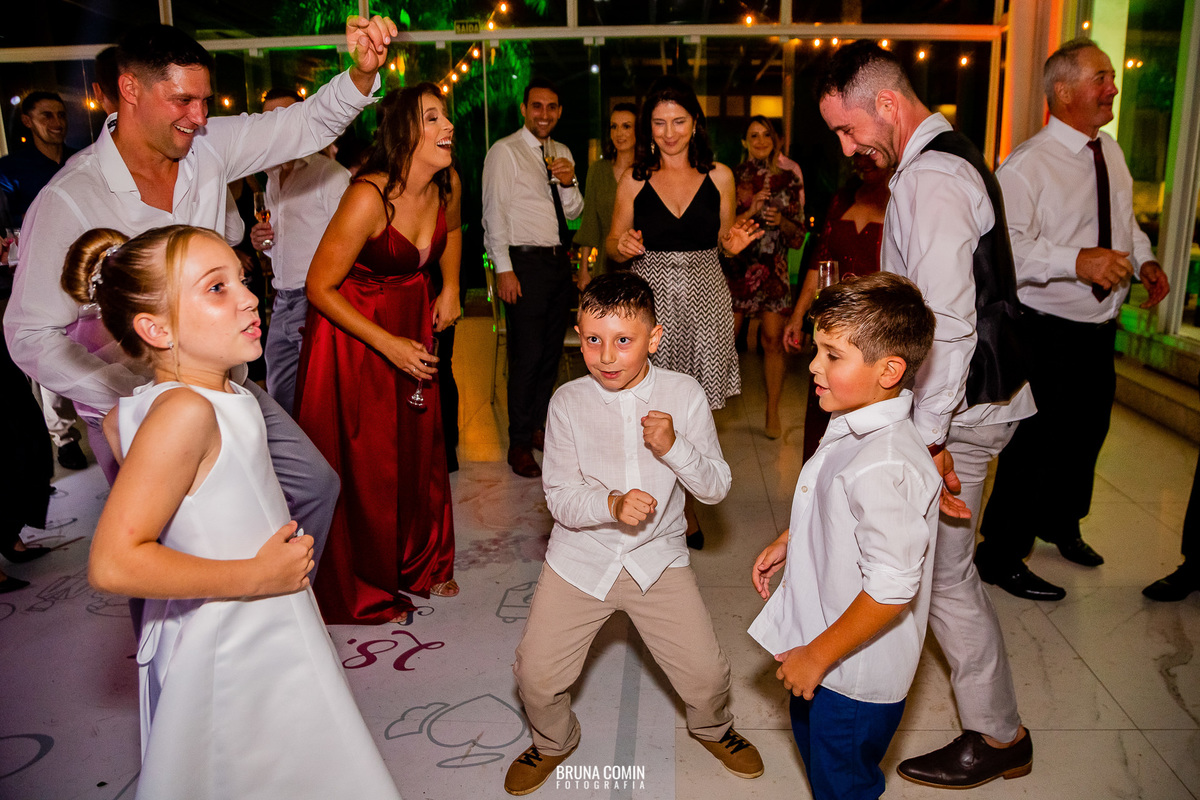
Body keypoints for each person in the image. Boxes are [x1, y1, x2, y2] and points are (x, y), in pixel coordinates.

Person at [4, 17, 397, 571]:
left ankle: (278, 598)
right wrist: (121, 392)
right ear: (130, 89)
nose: (200, 117)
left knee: (313, 486)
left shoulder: (210, 147)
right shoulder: (70, 199)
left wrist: (359, 74)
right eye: (183, 101)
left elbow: (304, 124)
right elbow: (28, 332)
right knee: (165, 549)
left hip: (224, 384)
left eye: (205, 100)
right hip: (136, 409)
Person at [67, 224, 402, 800]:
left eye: (242, 279)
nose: (249, 298)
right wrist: (256, 576)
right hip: (237, 632)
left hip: (250, 614)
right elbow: (113, 562)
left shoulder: (170, 403)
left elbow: (139, 448)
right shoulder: (186, 413)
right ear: (156, 329)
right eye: (216, 288)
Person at [817, 41, 1038, 788]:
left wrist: (926, 438)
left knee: (940, 576)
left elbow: (949, 321)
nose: (848, 148)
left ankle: (999, 734)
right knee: (938, 569)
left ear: (886, 102)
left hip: (962, 411)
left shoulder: (931, 177)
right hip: (969, 404)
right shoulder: (938, 160)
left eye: (848, 130)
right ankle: (996, 727)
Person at [505, 272, 762, 796]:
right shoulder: (567, 402)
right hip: (581, 557)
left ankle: (713, 728)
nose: (606, 356)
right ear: (578, 333)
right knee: (535, 676)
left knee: (708, 676)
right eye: (592, 339)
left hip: (656, 559)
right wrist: (611, 504)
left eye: (623, 340)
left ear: (654, 338)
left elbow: (715, 487)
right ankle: (553, 740)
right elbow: (559, 496)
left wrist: (674, 447)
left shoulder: (683, 393)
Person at [973, 40, 1171, 600]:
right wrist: (1075, 261)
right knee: (1032, 445)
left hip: (1099, 329)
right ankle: (1000, 554)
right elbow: (1007, 250)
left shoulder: (1110, 151)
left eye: (1111, 78)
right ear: (1063, 92)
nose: (1114, 88)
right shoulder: (1028, 164)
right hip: (1045, 332)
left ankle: (1060, 523)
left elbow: (1125, 224)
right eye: (1101, 78)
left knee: (1087, 435)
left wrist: (1146, 259)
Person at [749, 272, 939, 800]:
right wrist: (793, 537)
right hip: (821, 648)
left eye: (832, 355)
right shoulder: (856, 422)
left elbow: (892, 588)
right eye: (818, 350)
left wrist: (817, 656)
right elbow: (839, 502)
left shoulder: (883, 462)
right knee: (821, 767)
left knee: (842, 783)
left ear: (889, 370)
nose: (813, 365)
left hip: (850, 677)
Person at [295, 82, 461, 625]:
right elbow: (319, 286)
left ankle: (419, 561)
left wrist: (450, 287)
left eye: (445, 116)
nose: (447, 126)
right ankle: (365, 581)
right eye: (432, 118)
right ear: (404, 133)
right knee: (370, 461)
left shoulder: (447, 183)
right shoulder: (368, 196)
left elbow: (454, 231)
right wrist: (387, 343)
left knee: (417, 445)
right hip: (355, 334)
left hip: (411, 316)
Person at [607, 74, 760, 549]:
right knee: (652, 404)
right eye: (659, 123)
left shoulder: (720, 176)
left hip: (706, 300)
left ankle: (685, 502)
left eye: (678, 121)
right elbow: (612, 242)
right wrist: (621, 245)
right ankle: (678, 511)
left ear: (695, 123)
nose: (669, 132)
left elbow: (725, 240)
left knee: (694, 412)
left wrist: (733, 245)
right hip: (651, 302)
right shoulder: (634, 180)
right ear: (648, 128)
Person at [482, 77, 583, 479]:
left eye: (551, 107)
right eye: (537, 106)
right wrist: (504, 269)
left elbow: (573, 213)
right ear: (524, 109)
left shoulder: (563, 153)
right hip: (523, 264)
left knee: (549, 356)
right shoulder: (504, 152)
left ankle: (538, 426)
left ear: (560, 112)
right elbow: (493, 215)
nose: (544, 114)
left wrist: (569, 182)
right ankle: (519, 443)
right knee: (525, 357)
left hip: (558, 263)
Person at [0, 91, 89, 471]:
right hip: (38, 270)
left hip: (85, 268)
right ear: (28, 121)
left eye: (60, 115)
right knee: (51, 346)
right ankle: (64, 436)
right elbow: (5, 227)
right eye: (46, 116)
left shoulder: (81, 159)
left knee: (93, 344)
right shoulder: (10, 169)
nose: (57, 122)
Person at [249, 88, 351, 416]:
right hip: (281, 300)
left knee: (321, 397)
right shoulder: (272, 178)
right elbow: (280, 245)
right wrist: (263, 243)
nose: (277, 125)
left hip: (315, 300)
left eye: (285, 116)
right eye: (269, 119)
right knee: (281, 394)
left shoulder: (329, 174)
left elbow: (353, 244)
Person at [784, 151, 892, 460]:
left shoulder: (902, 200)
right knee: (823, 411)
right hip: (833, 327)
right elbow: (820, 262)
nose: (862, 162)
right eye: (857, 157)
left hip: (874, 329)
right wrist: (798, 316)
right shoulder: (842, 198)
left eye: (869, 156)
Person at [725, 115, 807, 440]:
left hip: (774, 266)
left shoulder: (789, 178)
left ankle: (772, 411)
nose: (760, 141)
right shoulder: (731, 177)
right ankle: (707, 409)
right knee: (725, 339)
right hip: (737, 266)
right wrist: (749, 211)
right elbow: (721, 228)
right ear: (745, 141)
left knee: (773, 340)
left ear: (775, 140)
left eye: (765, 135)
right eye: (753, 135)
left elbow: (798, 235)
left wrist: (780, 221)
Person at [574, 102, 638, 285]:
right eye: (614, 126)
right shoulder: (598, 171)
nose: (619, 133)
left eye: (626, 126)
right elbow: (590, 224)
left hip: (643, 266)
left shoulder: (649, 171)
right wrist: (583, 270)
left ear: (639, 131)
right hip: (606, 266)